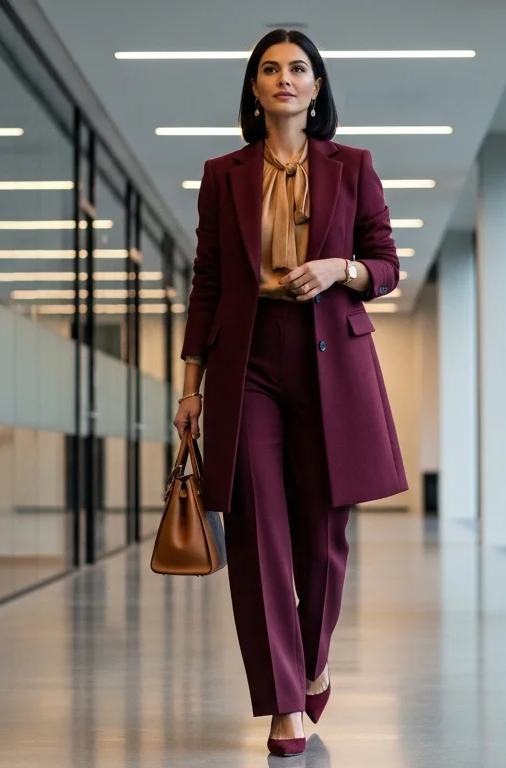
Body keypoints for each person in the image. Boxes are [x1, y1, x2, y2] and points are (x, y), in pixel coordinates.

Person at [172, 28, 407, 758]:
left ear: (316, 87)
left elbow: (387, 264)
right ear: (254, 87)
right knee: (257, 533)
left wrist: (342, 268)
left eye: (298, 69)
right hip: (250, 362)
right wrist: (191, 387)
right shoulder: (224, 174)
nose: (284, 78)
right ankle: (283, 703)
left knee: (323, 536)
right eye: (270, 69)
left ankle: (314, 657)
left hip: (331, 361)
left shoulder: (354, 166)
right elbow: (208, 279)